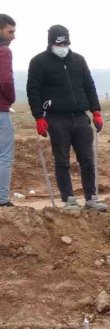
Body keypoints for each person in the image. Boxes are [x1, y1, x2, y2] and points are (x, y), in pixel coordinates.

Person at [26, 25, 107, 211]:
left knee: (87, 159)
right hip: (56, 118)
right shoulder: (38, 62)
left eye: (65, 42)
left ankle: (91, 198)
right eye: (59, 42)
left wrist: (96, 111)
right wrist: (38, 116)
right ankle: (69, 199)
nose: (63, 45)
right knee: (62, 160)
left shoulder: (79, 60)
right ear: (51, 42)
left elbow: (89, 85)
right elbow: (33, 91)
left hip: (80, 117)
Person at [0, 14, 14, 208]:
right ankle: (2, 200)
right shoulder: (4, 51)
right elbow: (5, 80)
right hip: (0, 110)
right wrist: (11, 99)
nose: (13, 36)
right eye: (10, 31)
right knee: (4, 155)